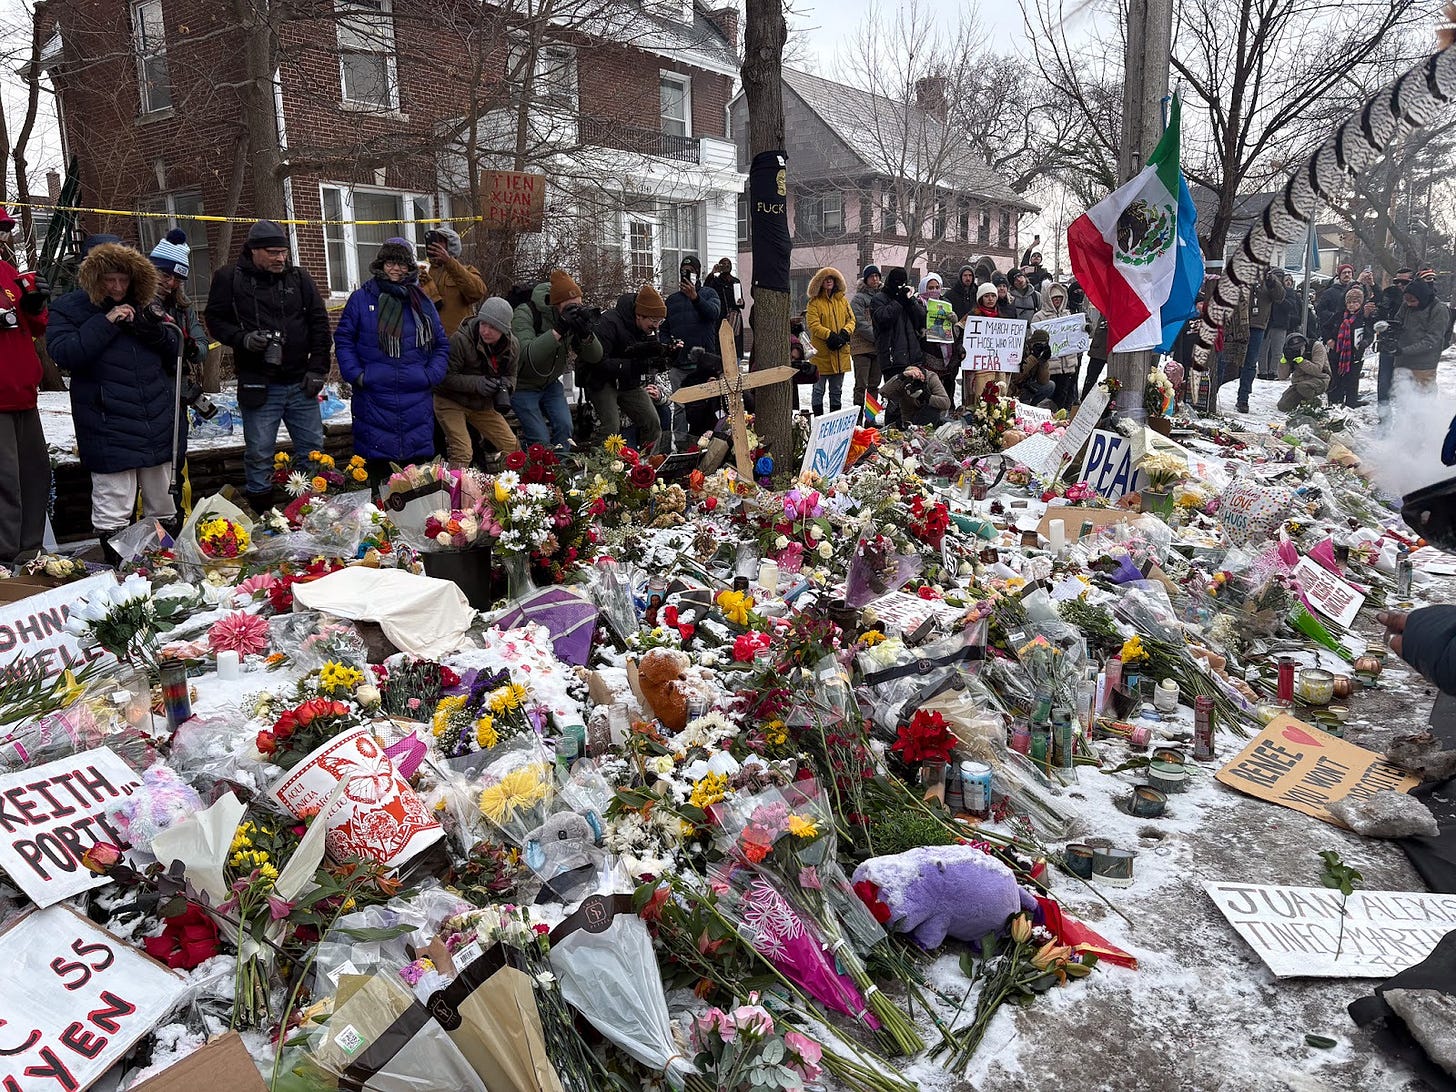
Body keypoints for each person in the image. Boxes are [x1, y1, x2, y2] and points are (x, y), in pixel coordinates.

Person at [48, 238, 181, 563]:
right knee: (114, 508)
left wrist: (147, 326)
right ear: (94, 277)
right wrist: (105, 321)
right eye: (110, 280)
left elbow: (175, 349)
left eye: (124, 279)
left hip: (155, 421)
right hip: (107, 425)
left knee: (163, 506)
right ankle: (121, 575)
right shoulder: (69, 308)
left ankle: (163, 568)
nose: (119, 287)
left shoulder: (148, 305)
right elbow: (66, 354)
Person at [204, 219, 331, 515]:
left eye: (283, 252)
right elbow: (215, 321)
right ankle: (264, 517)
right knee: (259, 454)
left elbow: (320, 325)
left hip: (301, 382)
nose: (280, 258)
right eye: (273, 252)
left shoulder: (299, 279)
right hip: (257, 383)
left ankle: (312, 513)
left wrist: (318, 370)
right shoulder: (229, 278)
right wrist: (243, 339)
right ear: (253, 251)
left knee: (313, 452)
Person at [334, 238, 449, 487]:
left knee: (416, 482)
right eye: (390, 263)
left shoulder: (422, 302)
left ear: (410, 267)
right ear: (381, 264)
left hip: (416, 397)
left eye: (401, 264)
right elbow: (344, 339)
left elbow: (441, 344)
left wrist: (430, 375)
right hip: (374, 396)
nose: (395, 269)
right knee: (379, 479)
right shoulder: (361, 299)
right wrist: (358, 375)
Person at [0, 208, 49, 565]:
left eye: (3, 229)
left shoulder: (7, 272)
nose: (2, 236)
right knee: (5, 482)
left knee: (34, 474)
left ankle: (30, 551)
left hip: (23, 393)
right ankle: (4, 559)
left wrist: (34, 306)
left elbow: (35, 328)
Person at [511, 269, 603, 450]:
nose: (574, 310)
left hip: (550, 384)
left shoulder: (570, 319)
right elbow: (526, 356)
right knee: (540, 438)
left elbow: (596, 356)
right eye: (570, 306)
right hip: (523, 385)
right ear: (556, 304)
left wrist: (585, 335)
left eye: (578, 305)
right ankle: (537, 474)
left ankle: (560, 473)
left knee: (565, 428)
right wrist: (558, 330)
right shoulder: (526, 313)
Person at [435, 297, 520, 468]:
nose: (486, 331)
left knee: (512, 446)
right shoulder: (460, 339)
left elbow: (512, 376)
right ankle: (455, 492)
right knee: (463, 451)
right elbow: (444, 377)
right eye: (483, 324)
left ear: (504, 330)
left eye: (493, 327)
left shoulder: (512, 347)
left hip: (481, 404)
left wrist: (506, 386)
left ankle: (509, 489)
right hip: (450, 400)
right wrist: (478, 384)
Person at [589, 283, 671, 450]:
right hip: (602, 380)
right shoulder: (608, 323)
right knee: (611, 426)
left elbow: (648, 361)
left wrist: (666, 356)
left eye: (659, 322)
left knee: (652, 422)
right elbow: (598, 362)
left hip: (628, 381)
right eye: (653, 321)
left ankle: (645, 466)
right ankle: (598, 466)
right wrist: (632, 365)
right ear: (639, 315)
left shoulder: (646, 330)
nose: (656, 326)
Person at [663, 255, 721, 450]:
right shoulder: (671, 300)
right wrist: (668, 344)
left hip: (703, 365)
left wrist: (695, 298)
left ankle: (706, 443)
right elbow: (664, 329)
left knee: (704, 405)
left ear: (699, 273)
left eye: (691, 271)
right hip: (679, 364)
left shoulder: (709, 293)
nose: (687, 274)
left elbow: (713, 313)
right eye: (684, 271)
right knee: (679, 407)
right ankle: (680, 445)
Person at [1233, 268, 1287, 412]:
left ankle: (1243, 399)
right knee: (1228, 360)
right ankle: (1215, 392)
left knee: (1250, 363)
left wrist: (1271, 280)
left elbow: (1280, 296)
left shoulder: (1268, 280)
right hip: (1236, 325)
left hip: (1257, 326)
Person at [803, 266, 855, 416]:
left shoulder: (843, 301)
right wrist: (830, 335)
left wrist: (845, 332)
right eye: (826, 279)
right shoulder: (814, 302)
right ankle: (819, 419)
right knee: (818, 390)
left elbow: (851, 319)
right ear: (820, 282)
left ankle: (833, 422)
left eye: (831, 279)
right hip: (822, 354)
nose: (829, 281)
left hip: (840, 354)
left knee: (836, 391)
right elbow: (813, 324)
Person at [418, 225, 486, 335]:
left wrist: (449, 261)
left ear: (450, 245)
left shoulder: (467, 270)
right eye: (434, 241)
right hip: (432, 340)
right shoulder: (426, 273)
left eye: (440, 241)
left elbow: (477, 293)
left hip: (457, 340)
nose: (435, 245)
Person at [1391, 278, 1451, 391]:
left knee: (1423, 399)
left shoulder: (1439, 310)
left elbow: (1432, 340)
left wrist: (1404, 350)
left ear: (1422, 297)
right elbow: (1397, 321)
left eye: (1412, 301)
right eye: (1407, 301)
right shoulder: (1406, 305)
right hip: (1402, 362)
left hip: (1424, 365)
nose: (1409, 304)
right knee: (1402, 397)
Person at [1032, 282, 1085, 409]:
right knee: (1051, 396)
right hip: (1050, 365)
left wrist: (1085, 328)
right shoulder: (1039, 317)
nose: (1057, 301)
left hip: (1067, 364)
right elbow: (1034, 339)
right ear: (1048, 299)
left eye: (1060, 298)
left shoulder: (1069, 315)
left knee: (1064, 394)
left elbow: (1076, 333)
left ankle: (1063, 420)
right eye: (1054, 298)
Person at [871, 267, 925, 386]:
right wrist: (898, 301)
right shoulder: (879, 298)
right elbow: (883, 319)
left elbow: (922, 319)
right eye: (897, 282)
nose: (900, 285)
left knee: (913, 398)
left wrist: (911, 302)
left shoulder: (907, 298)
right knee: (894, 395)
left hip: (912, 356)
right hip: (892, 357)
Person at [1321, 286, 1371, 408]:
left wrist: (1364, 343)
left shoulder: (1363, 318)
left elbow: (1370, 334)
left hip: (1355, 353)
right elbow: (1325, 327)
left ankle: (1351, 400)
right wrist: (1329, 340)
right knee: (1336, 377)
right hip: (1337, 351)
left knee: (1353, 378)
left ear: (1360, 303)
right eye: (1349, 302)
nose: (1351, 305)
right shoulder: (1339, 315)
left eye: (1355, 302)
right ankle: (1334, 399)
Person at [1374, 268, 1414, 408]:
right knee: (1384, 381)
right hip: (1388, 342)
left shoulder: (1418, 297)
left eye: (1404, 282)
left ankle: (1407, 418)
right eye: (1397, 281)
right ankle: (1383, 416)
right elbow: (1378, 314)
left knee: (1407, 383)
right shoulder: (1389, 293)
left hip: (1408, 346)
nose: (1400, 285)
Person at [916, 273, 956, 409]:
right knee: (930, 385)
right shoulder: (918, 303)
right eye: (930, 287)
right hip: (926, 350)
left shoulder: (946, 303)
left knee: (944, 387)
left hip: (943, 352)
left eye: (937, 287)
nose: (934, 291)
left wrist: (953, 320)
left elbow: (953, 330)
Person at [849, 265, 881, 409]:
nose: (875, 279)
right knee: (861, 385)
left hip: (878, 348)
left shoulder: (882, 297)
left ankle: (870, 418)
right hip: (862, 348)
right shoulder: (858, 299)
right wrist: (877, 336)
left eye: (877, 276)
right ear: (866, 279)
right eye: (871, 276)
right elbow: (859, 323)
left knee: (875, 385)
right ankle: (858, 418)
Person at [1275, 333, 1330, 412]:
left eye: (1300, 347)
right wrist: (1284, 362)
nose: (1299, 350)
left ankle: (1315, 402)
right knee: (1283, 406)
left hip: (1319, 379)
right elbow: (1282, 376)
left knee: (1303, 387)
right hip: (1299, 382)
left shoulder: (1316, 346)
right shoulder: (1289, 352)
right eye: (1296, 349)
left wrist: (1302, 361)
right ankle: (1303, 400)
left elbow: (1317, 370)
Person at [882, 364, 950, 426]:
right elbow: (883, 392)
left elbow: (946, 403)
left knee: (931, 410)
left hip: (930, 416)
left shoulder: (930, 377)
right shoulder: (904, 381)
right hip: (909, 418)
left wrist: (926, 397)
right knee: (893, 410)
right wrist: (902, 376)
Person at [1261, 275, 1300, 380]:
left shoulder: (1289, 293)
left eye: (1290, 280)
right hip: (1266, 323)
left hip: (1280, 324)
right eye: (1286, 280)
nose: (1288, 282)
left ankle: (1274, 372)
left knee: (1277, 351)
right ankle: (1262, 372)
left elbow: (1291, 307)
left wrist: (1280, 299)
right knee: (1263, 350)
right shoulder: (1267, 289)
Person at [703, 258, 743, 354]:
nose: (726, 266)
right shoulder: (715, 281)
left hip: (733, 316)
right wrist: (712, 273)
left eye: (728, 264)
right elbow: (705, 289)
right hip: (720, 316)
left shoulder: (735, 281)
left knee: (733, 343)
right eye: (723, 264)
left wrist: (741, 302)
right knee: (720, 344)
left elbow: (741, 301)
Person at [1010, 332, 1056, 408]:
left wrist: (1043, 362)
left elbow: (1043, 381)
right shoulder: (1021, 350)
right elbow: (1015, 376)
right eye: (1038, 344)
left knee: (1050, 385)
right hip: (1013, 388)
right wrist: (1033, 357)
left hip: (1026, 388)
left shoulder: (1040, 354)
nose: (1039, 347)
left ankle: (1031, 407)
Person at [1316, 264, 1358, 332]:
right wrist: (1334, 316)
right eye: (1344, 272)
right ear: (1339, 275)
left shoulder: (1357, 290)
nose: (1347, 274)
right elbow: (1320, 310)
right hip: (1335, 329)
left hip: (1353, 329)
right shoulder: (1329, 292)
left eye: (1349, 272)